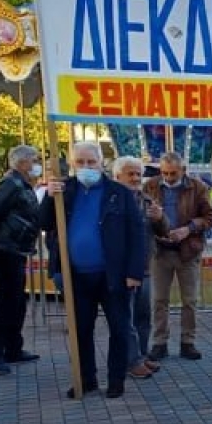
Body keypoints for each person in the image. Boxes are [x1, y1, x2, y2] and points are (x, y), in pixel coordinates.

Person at [41, 142, 145, 399]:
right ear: (72, 164)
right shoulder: (64, 190)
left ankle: (116, 379)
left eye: (91, 162)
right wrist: (48, 197)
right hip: (76, 275)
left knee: (119, 329)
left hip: (113, 275)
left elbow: (136, 233)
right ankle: (85, 378)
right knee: (81, 330)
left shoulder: (118, 193)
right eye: (80, 162)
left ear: (101, 163)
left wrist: (134, 272)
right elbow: (43, 222)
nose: (86, 167)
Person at [0, 145, 43, 376]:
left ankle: (14, 347)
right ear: (22, 163)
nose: (37, 164)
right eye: (34, 159)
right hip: (4, 249)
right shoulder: (12, 184)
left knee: (16, 302)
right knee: (6, 303)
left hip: (15, 249)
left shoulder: (23, 185)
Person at [144, 152, 212, 361]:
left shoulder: (198, 187)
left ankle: (188, 341)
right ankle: (160, 342)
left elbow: (210, 216)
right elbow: (142, 214)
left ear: (183, 170)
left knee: (190, 300)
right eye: (165, 173)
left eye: (173, 173)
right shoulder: (150, 186)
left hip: (188, 250)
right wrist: (155, 220)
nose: (168, 177)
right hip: (160, 250)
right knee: (159, 300)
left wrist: (189, 228)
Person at [112, 156, 166, 379]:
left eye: (138, 174)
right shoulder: (112, 199)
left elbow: (164, 231)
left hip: (145, 267)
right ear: (117, 177)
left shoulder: (146, 200)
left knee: (143, 316)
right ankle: (131, 361)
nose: (135, 178)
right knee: (127, 317)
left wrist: (160, 218)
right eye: (130, 174)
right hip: (122, 269)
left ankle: (142, 356)